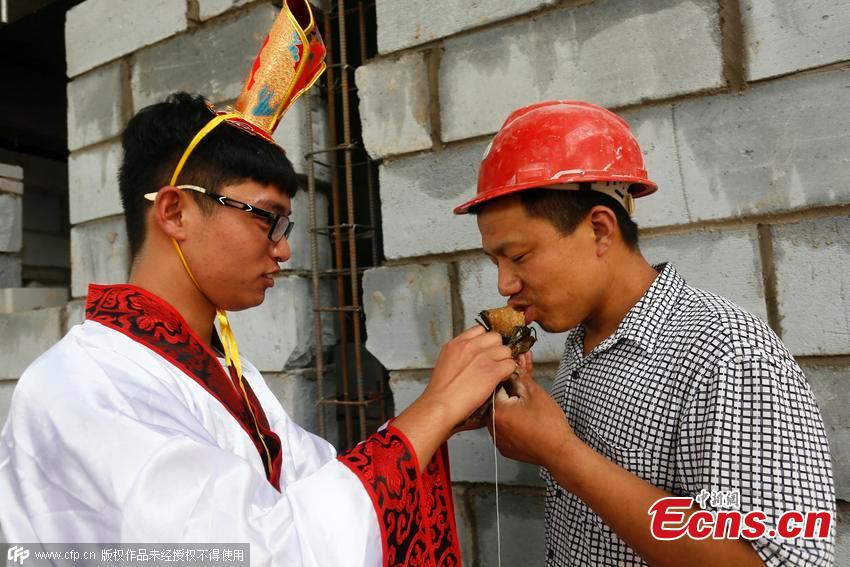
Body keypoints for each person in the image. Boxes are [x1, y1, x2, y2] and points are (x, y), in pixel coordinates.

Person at [0, 4, 515, 565]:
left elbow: (308, 483)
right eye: (265, 218)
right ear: (174, 212)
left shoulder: (220, 367)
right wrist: (432, 412)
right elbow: (258, 551)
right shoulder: (82, 387)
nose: (284, 247)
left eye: (285, 224)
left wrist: (437, 419)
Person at [453, 100, 835, 566]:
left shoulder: (728, 354)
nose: (504, 285)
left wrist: (560, 453)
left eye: (520, 256)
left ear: (599, 229)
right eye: (496, 263)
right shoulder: (584, 340)